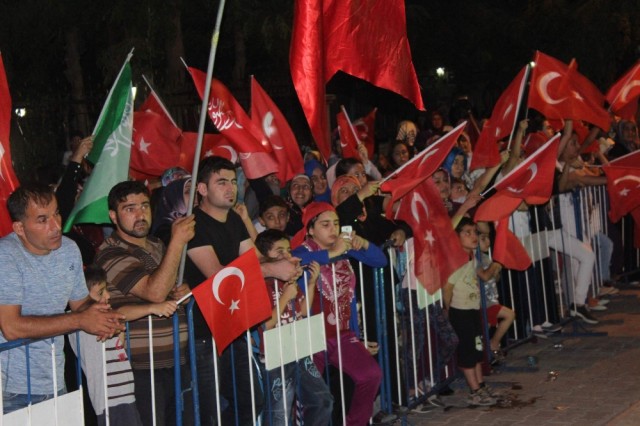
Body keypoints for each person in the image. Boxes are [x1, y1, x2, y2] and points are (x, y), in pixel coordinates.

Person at [183, 156, 302, 426]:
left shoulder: (234, 220)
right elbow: (219, 274)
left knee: (250, 400)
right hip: (204, 333)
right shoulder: (194, 225)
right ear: (202, 189)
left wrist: (281, 262)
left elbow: (255, 260)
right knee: (210, 409)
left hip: (234, 324)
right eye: (221, 182)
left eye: (233, 181)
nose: (231, 188)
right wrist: (273, 270)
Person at [0, 183, 124, 414]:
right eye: (42, 219)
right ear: (19, 227)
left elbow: (80, 304)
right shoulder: (5, 256)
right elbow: (11, 328)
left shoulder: (68, 249)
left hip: (55, 379)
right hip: (10, 390)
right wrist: (80, 321)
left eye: (56, 213)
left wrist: (105, 317)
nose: (56, 225)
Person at [95, 181, 195, 426]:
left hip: (176, 358)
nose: (140, 215)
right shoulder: (110, 252)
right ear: (113, 216)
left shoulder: (156, 245)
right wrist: (177, 242)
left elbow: (167, 288)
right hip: (142, 366)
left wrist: (183, 291)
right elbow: (155, 292)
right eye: (130, 209)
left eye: (144, 206)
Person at [291, 202, 387, 425]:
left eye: (335, 223)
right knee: (310, 398)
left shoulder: (344, 247)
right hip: (310, 336)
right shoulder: (304, 251)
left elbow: (379, 260)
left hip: (342, 333)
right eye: (325, 224)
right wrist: (331, 253)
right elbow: (293, 261)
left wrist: (362, 244)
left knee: (370, 375)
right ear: (311, 230)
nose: (333, 229)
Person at [255, 229, 333, 426]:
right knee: (279, 415)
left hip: (297, 350)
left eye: (288, 251)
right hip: (274, 357)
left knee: (322, 399)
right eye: (279, 252)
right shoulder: (259, 283)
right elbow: (265, 324)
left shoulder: (288, 279)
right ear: (263, 257)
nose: (287, 256)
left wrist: (312, 283)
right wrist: (284, 298)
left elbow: (302, 310)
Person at [70, 264, 158, 426]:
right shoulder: (80, 323)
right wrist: (152, 307)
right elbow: (122, 315)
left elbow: (118, 348)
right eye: (101, 292)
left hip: (124, 394)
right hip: (110, 400)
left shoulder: (101, 321)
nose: (108, 296)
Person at [443, 217, 497, 407]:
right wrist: (447, 311)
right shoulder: (456, 260)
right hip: (461, 311)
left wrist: (497, 264)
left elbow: (483, 275)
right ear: (456, 237)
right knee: (467, 351)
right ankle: (474, 390)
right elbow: (448, 287)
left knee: (477, 348)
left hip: (473, 309)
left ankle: (480, 385)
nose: (473, 236)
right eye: (467, 233)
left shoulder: (472, 257)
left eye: (475, 232)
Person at [476, 222, 515, 361]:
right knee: (508, 315)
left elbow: (494, 278)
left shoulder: (486, 257)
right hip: (484, 302)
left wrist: (496, 270)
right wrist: (494, 266)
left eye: (488, 238)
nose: (488, 242)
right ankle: (492, 346)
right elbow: (485, 275)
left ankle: (489, 349)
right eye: (483, 239)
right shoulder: (476, 258)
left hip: (492, 299)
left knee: (485, 329)